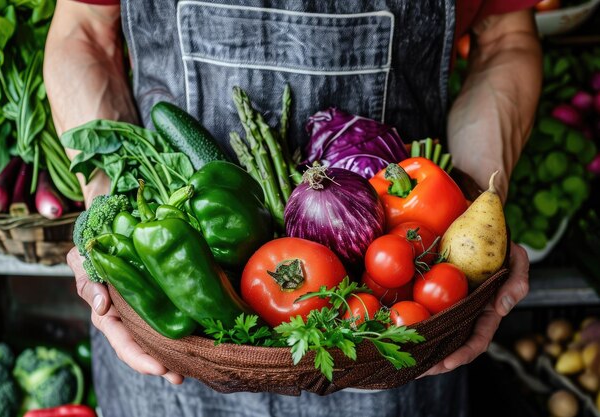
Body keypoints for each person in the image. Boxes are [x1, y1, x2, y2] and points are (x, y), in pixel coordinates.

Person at [44, 0, 542, 415]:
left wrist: (484, 204)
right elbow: (82, 34)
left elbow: (505, 42)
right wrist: (105, 216)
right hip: (173, 355)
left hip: (400, 337)